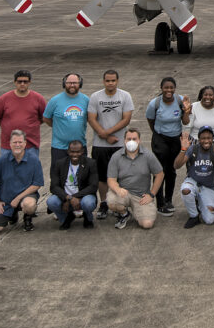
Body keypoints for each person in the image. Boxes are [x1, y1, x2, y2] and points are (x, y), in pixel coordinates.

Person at [87, 69, 133, 219]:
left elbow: (126, 119)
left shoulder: (125, 96)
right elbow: (92, 118)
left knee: (120, 176)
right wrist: (105, 136)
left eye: (113, 80)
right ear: (103, 81)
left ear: (117, 81)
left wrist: (107, 133)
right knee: (102, 177)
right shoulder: (95, 96)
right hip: (100, 145)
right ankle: (104, 203)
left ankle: (119, 204)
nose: (110, 83)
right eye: (107, 80)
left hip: (119, 144)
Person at [0, 129, 43, 234]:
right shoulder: (1, 161)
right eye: (15, 142)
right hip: (6, 200)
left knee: (29, 205)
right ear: (10, 144)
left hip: (26, 197)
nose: (17, 145)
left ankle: (27, 217)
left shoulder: (34, 160)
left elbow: (37, 184)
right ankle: (12, 214)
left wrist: (17, 198)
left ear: (25, 143)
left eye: (20, 142)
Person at [106, 128, 164, 230]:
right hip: (123, 192)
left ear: (139, 140)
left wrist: (151, 194)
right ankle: (124, 214)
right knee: (111, 202)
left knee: (147, 224)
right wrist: (118, 189)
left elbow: (160, 174)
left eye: (134, 139)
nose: (131, 141)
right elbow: (111, 179)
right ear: (124, 140)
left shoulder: (148, 155)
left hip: (141, 196)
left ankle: (139, 212)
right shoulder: (116, 156)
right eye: (129, 139)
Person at [145, 77, 185, 216]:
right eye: (166, 88)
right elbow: (150, 120)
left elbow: (185, 119)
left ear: (175, 88)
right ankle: (160, 203)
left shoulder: (180, 101)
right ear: (161, 88)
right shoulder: (154, 103)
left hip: (176, 139)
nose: (169, 90)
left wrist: (187, 109)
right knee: (159, 171)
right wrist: (157, 134)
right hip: (160, 138)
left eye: (171, 88)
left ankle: (168, 200)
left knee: (172, 170)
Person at [174, 126, 214, 228]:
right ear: (199, 139)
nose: (206, 141)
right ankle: (194, 216)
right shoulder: (193, 149)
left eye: (209, 138)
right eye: (203, 138)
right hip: (193, 182)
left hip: (208, 186)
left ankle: (199, 202)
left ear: (213, 139)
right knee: (185, 190)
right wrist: (183, 150)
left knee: (209, 220)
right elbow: (176, 165)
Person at [46, 139, 98, 229]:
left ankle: (88, 218)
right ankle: (66, 218)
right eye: (72, 152)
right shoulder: (59, 163)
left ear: (82, 151)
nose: (75, 155)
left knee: (88, 203)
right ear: (68, 151)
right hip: (65, 197)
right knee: (51, 202)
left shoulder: (90, 163)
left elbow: (93, 186)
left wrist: (75, 197)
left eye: (78, 152)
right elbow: (54, 186)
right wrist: (68, 198)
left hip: (83, 197)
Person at [0, 69, 45, 153]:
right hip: (8, 145)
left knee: (30, 166)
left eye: (25, 81)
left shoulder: (38, 98)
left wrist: (32, 125)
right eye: (19, 81)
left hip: (30, 146)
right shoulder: (4, 98)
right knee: (7, 166)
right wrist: (6, 125)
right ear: (15, 82)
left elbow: (44, 117)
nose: (22, 84)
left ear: (29, 82)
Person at [43, 72, 89, 170]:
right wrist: (57, 126)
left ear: (80, 84)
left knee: (82, 177)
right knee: (58, 177)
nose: (72, 85)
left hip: (80, 147)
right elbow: (46, 118)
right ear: (64, 84)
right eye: (69, 83)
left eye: (75, 83)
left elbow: (91, 118)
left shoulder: (86, 100)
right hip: (59, 148)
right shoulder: (54, 100)